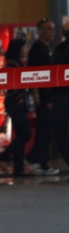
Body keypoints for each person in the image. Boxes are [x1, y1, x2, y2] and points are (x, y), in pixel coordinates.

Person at [24, 18, 60, 176]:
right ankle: (36, 159)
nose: (51, 32)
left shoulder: (48, 48)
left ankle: (39, 161)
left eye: (53, 29)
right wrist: (36, 95)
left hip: (50, 96)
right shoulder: (37, 50)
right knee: (45, 130)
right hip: (43, 97)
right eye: (48, 29)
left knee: (46, 131)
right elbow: (33, 74)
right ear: (40, 31)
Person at [0, 39, 32, 177]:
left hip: (15, 103)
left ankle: (18, 168)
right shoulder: (12, 65)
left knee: (21, 135)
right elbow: (12, 85)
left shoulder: (16, 63)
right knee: (26, 134)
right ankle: (4, 155)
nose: (26, 49)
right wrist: (20, 97)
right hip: (15, 103)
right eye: (24, 47)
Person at [51, 21, 69, 183]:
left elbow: (53, 76)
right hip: (62, 97)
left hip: (62, 97)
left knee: (60, 133)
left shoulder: (60, 50)